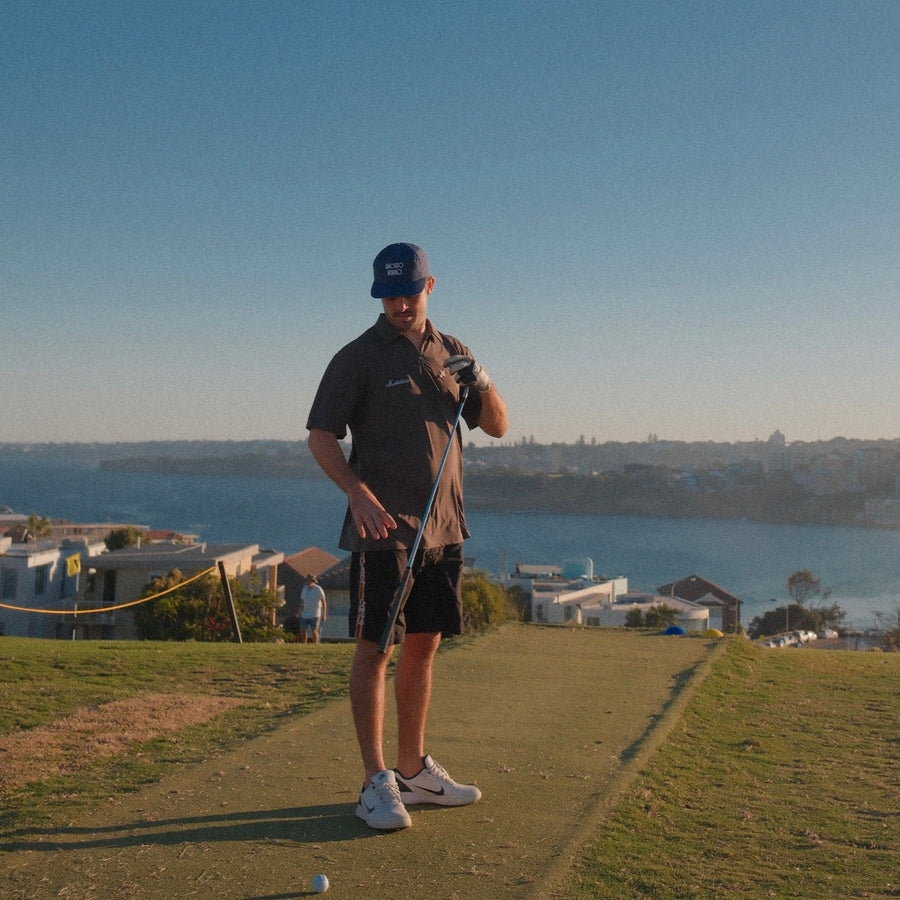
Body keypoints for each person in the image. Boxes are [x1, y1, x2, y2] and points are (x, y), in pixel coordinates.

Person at [306, 242, 508, 830]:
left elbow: (496, 426)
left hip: (444, 527)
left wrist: (485, 383)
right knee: (375, 650)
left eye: (407, 293)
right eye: (388, 295)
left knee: (424, 644)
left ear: (430, 287)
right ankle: (376, 783)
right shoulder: (358, 357)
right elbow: (321, 436)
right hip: (384, 530)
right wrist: (356, 491)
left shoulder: (455, 352)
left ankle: (413, 771)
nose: (397, 304)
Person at [299, 574, 327, 643]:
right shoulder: (304, 588)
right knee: (303, 629)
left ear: (313, 581)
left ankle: (315, 644)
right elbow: (302, 601)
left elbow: (323, 602)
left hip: (315, 614)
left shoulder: (318, 589)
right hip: (305, 613)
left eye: (309, 580)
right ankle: (304, 644)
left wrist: (324, 614)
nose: (307, 581)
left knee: (314, 630)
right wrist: (299, 610)